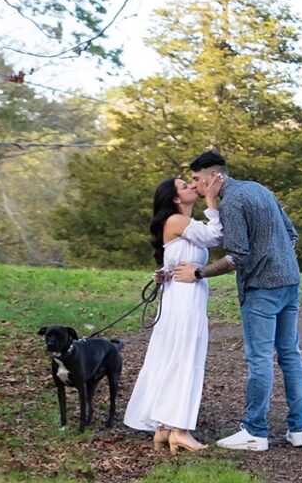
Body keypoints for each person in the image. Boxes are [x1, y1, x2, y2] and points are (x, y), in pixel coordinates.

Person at [173, 150, 302, 452]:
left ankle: (255, 432)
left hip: (261, 289)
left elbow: (236, 257)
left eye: (197, 179)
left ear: (214, 177)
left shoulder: (232, 202)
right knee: (290, 355)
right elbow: (291, 234)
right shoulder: (258, 188)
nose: (195, 185)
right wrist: (276, 257)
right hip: (290, 282)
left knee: (259, 359)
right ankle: (298, 430)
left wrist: (198, 273)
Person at [123, 174, 223, 454]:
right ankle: (179, 430)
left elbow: (178, 257)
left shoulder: (181, 224)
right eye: (184, 186)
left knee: (175, 357)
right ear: (176, 199)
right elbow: (215, 235)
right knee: (184, 357)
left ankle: (165, 428)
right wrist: (212, 200)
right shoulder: (177, 221)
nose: (192, 185)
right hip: (184, 301)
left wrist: (164, 273)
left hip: (181, 296)